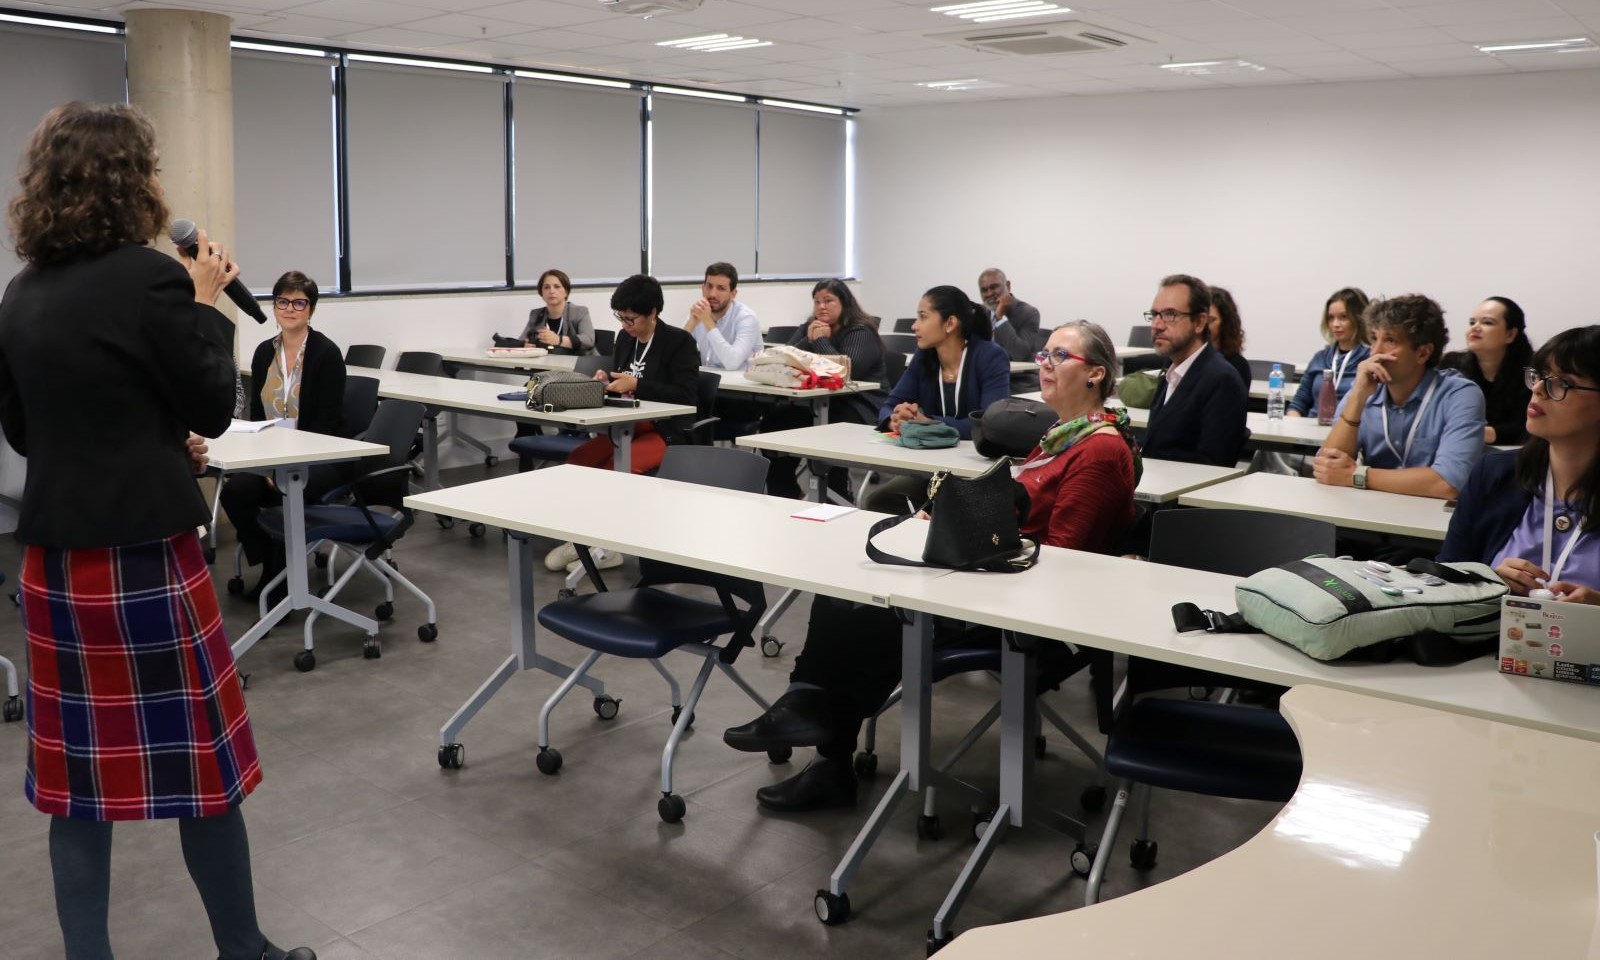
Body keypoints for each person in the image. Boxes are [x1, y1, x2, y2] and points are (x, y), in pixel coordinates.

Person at [0, 101, 315, 960]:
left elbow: (29, 431)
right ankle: (244, 950)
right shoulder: (154, 279)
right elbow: (214, 400)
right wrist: (208, 302)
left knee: (76, 787)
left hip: (58, 565)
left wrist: (141, 432)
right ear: (127, 181)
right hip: (146, 557)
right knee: (201, 776)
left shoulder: (20, 293)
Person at [722, 320, 1140, 810]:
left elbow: (1064, 556)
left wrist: (970, 536)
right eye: (1043, 355)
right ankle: (808, 709)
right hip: (998, 579)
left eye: (1057, 357)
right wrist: (955, 516)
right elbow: (1016, 508)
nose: (1044, 366)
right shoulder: (1063, 436)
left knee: (875, 614)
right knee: (845, 592)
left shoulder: (1101, 449)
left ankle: (825, 742)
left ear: (1094, 374)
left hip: (1028, 609)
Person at [545, 275, 699, 572]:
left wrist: (638, 384)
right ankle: (581, 538)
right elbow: (621, 378)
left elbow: (687, 395)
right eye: (621, 317)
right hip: (628, 425)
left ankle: (609, 547)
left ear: (653, 312)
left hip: (665, 430)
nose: (626, 324)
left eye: (631, 318)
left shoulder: (679, 342)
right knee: (578, 460)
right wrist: (607, 381)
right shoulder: (625, 338)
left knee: (615, 469)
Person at [1440, 325, 1600, 603]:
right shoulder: (1494, 474)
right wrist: (1488, 583)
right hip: (1491, 642)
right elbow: (1443, 580)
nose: (1538, 389)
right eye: (1539, 376)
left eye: (1562, 382)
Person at [219, 271, 347, 601]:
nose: (290, 308)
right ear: (275, 306)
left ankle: (281, 583)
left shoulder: (326, 353)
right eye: (283, 301)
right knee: (236, 492)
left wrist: (286, 466)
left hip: (318, 457)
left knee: (285, 494)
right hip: (272, 455)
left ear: (311, 309)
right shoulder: (265, 353)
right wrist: (265, 465)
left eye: (299, 302)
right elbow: (259, 416)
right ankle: (272, 567)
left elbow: (327, 425)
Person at [1313, 294, 1485, 499]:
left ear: (1423, 353)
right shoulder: (1364, 388)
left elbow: (1448, 483)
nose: (1375, 352)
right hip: (1367, 516)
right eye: (1374, 338)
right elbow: (1327, 466)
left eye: (1390, 341)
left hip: (1431, 524)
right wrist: (1358, 397)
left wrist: (1355, 475)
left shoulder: (1459, 395)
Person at [864, 285, 1010, 511]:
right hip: (931, 468)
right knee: (879, 501)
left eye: (923, 317)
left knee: (937, 510)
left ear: (950, 323)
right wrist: (895, 419)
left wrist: (928, 423)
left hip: (975, 472)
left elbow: (989, 425)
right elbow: (890, 405)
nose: (914, 326)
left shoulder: (990, 356)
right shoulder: (925, 357)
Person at [763, 279, 888, 499]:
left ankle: (837, 495)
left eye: (828, 300)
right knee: (775, 422)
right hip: (816, 402)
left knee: (830, 428)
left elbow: (846, 371)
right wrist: (807, 339)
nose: (821, 306)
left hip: (859, 404)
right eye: (817, 301)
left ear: (844, 303)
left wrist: (819, 341)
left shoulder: (860, 331)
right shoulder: (812, 326)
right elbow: (786, 357)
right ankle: (786, 493)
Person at [1138, 274, 1249, 466]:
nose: (1157, 325)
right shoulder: (1171, 369)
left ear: (1199, 322)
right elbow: (1158, 443)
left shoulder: (1222, 379)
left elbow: (1213, 465)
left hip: (1180, 492)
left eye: (1170, 315)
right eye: (1154, 315)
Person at [1440, 296, 1534, 445]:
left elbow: (1532, 427)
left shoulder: (1532, 372)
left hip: (1512, 457)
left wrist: (1485, 433)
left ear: (1510, 334)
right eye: (1472, 322)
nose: (1475, 327)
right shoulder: (1451, 365)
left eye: (1487, 322)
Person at [1288, 287, 1371, 417]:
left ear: (1359, 319)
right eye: (1331, 318)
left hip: (1349, 431)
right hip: (1312, 431)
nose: (1335, 324)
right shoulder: (1320, 358)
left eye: (1343, 317)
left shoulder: (1369, 360)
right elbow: (1298, 404)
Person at [685, 261, 760, 371]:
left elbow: (732, 363)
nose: (712, 294)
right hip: (710, 382)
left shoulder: (747, 318)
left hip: (741, 385)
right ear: (702, 288)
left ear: (733, 294)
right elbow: (672, 355)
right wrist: (690, 324)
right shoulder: (699, 313)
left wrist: (708, 322)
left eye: (721, 288)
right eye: (709, 286)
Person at [978, 267, 1045, 390]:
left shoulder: (1028, 312)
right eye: (984, 290)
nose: (989, 294)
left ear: (1007, 285)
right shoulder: (979, 314)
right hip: (985, 378)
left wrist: (1000, 317)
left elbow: (1019, 354)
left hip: (1016, 381)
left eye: (994, 287)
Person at [519, 267, 594, 355]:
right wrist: (525, 345)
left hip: (577, 364)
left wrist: (558, 340)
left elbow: (588, 340)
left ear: (566, 291)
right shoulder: (536, 314)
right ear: (541, 293)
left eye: (557, 287)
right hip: (545, 364)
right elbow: (522, 340)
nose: (551, 291)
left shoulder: (579, 312)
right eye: (546, 287)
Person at [1204, 285, 1251, 386]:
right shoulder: (1182, 359)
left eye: (1210, 320)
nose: (1203, 325)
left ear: (1225, 322)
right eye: (1200, 319)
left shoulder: (1237, 365)